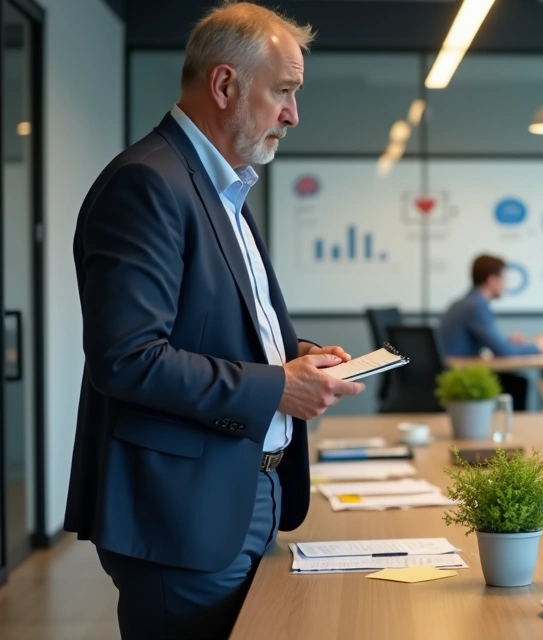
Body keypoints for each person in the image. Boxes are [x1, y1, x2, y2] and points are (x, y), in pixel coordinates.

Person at [63, 4, 366, 638]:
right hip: (182, 513)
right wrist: (278, 386)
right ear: (225, 84)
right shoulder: (148, 184)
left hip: (243, 493)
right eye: (283, 91)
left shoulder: (219, 187)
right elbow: (128, 359)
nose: (293, 114)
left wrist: (295, 358)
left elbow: (208, 327)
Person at [438, 254, 543, 409]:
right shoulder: (476, 306)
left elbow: (496, 345)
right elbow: (504, 352)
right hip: (460, 378)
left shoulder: (465, 303)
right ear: (492, 280)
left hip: (451, 374)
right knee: (518, 384)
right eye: (504, 279)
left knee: (516, 381)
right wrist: (540, 347)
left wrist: (507, 342)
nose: (506, 286)